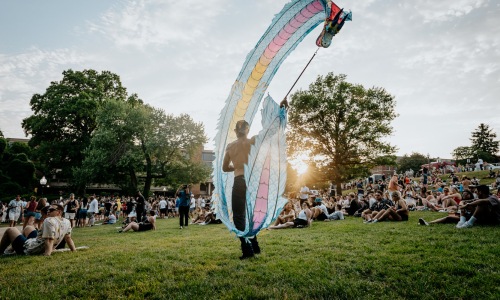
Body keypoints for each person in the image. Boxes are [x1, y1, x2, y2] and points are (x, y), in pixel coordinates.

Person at [222, 119, 260, 259]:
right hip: (252, 181)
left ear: (235, 132)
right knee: (251, 215)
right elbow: (270, 129)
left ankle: (247, 249)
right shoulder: (253, 141)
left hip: (239, 180)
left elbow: (225, 168)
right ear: (247, 130)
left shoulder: (231, 146)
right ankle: (255, 246)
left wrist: (236, 167)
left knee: (239, 216)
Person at [0, 204, 76, 256]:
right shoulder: (67, 221)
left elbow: (49, 240)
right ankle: (10, 249)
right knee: (28, 227)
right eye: (48, 210)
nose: (48, 211)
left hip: (31, 249)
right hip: (37, 243)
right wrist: (74, 250)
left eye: (51, 210)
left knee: (10, 229)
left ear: (59, 212)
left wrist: (47, 254)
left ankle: (2, 251)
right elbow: (68, 238)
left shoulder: (49, 220)